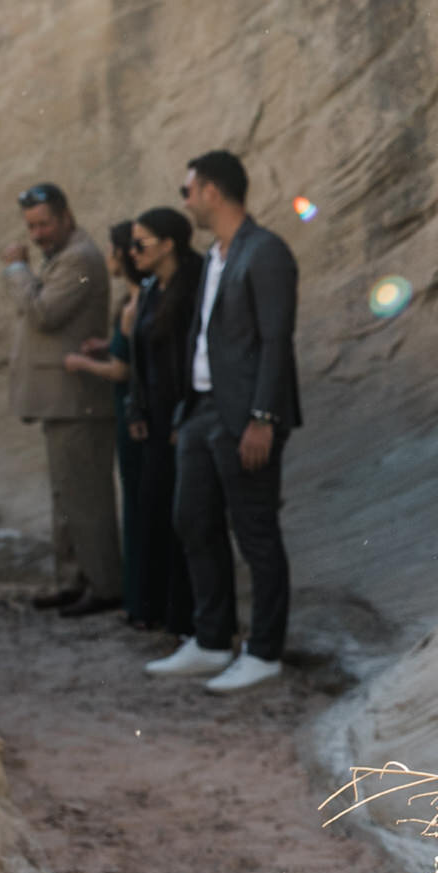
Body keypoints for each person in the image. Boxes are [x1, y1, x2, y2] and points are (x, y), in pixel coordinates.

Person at [149, 151, 299, 693]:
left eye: (187, 189)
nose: (183, 199)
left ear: (212, 191)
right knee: (193, 521)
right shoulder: (214, 255)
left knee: (255, 532)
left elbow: (276, 342)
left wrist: (263, 417)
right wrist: (186, 410)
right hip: (203, 411)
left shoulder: (266, 252)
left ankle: (264, 652)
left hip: (246, 416)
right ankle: (211, 641)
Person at [2, 182, 125, 620]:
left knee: (85, 498)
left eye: (43, 223)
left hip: (79, 402)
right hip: (64, 402)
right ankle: (76, 582)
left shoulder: (79, 258)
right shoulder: (65, 256)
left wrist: (16, 270)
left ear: (65, 215)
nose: (36, 234)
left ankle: (105, 585)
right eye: (31, 227)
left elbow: (42, 313)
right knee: (67, 497)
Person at [119, 208, 202, 637]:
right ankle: (165, 613)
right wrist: (137, 409)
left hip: (182, 418)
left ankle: (187, 620)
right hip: (153, 421)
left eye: (140, 243)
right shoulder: (151, 289)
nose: (131, 252)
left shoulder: (194, 285)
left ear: (168, 243)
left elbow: (194, 360)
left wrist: (181, 414)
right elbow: (141, 358)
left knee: (184, 518)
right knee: (156, 512)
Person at [63, 228, 143, 620]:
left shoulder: (135, 303)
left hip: (135, 414)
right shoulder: (131, 299)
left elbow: (123, 368)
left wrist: (83, 364)